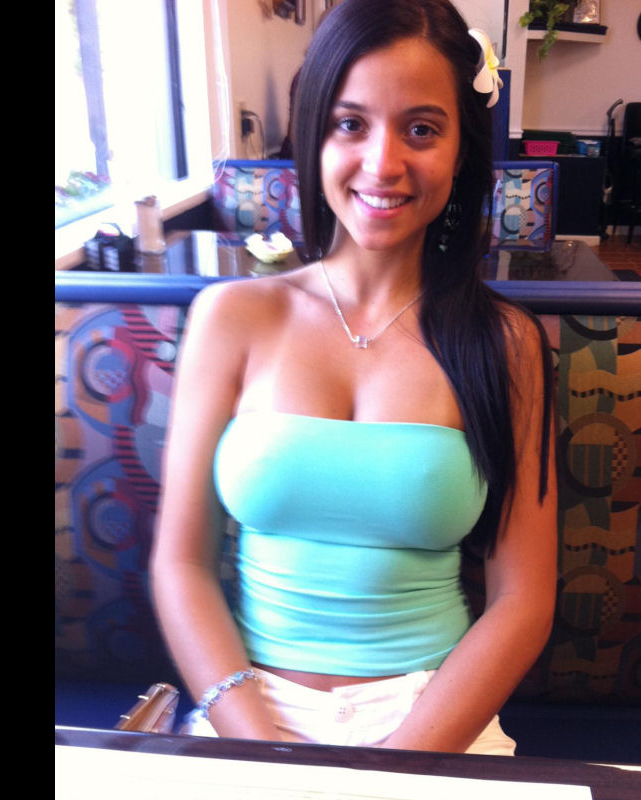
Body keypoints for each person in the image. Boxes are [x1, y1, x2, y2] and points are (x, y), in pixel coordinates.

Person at [151, 0, 557, 756]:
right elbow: (181, 564)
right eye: (350, 124)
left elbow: (523, 599)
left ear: (462, 150)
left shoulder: (506, 344)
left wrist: (394, 767)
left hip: (432, 715)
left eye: (421, 129)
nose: (382, 163)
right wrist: (263, 750)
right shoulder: (232, 317)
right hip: (246, 709)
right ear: (314, 134)